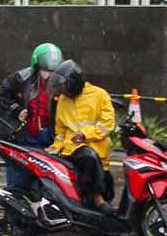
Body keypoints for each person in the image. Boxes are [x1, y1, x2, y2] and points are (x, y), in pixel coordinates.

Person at [46, 59, 117, 214]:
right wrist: (56, 146)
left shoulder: (99, 94)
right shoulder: (63, 100)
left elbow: (108, 123)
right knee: (89, 158)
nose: (63, 90)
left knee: (108, 191)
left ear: (75, 83)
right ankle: (97, 199)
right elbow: (60, 130)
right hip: (75, 150)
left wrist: (86, 134)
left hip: (100, 153)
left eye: (65, 86)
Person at [0, 43, 62, 189]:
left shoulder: (60, 82)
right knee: (19, 178)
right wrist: (17, 110)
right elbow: (3, 94)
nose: (48, 74)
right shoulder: (22, 78)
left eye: (52, 70)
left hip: (50, 139)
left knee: (47, 181)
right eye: (45, 70)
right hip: (25, 136)